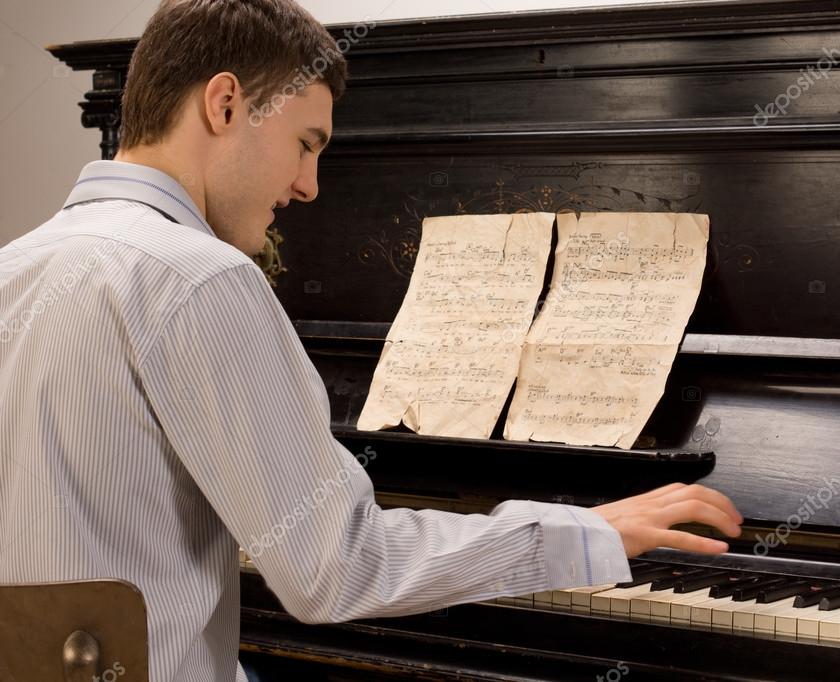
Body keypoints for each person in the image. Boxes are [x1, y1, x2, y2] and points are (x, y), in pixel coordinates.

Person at [0, 1, 743, 680]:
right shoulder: (200, 278)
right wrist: (584, 530)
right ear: (225, 104)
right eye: (304, 142)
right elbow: (335, 570)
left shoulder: (14, 267)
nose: (309, 184)